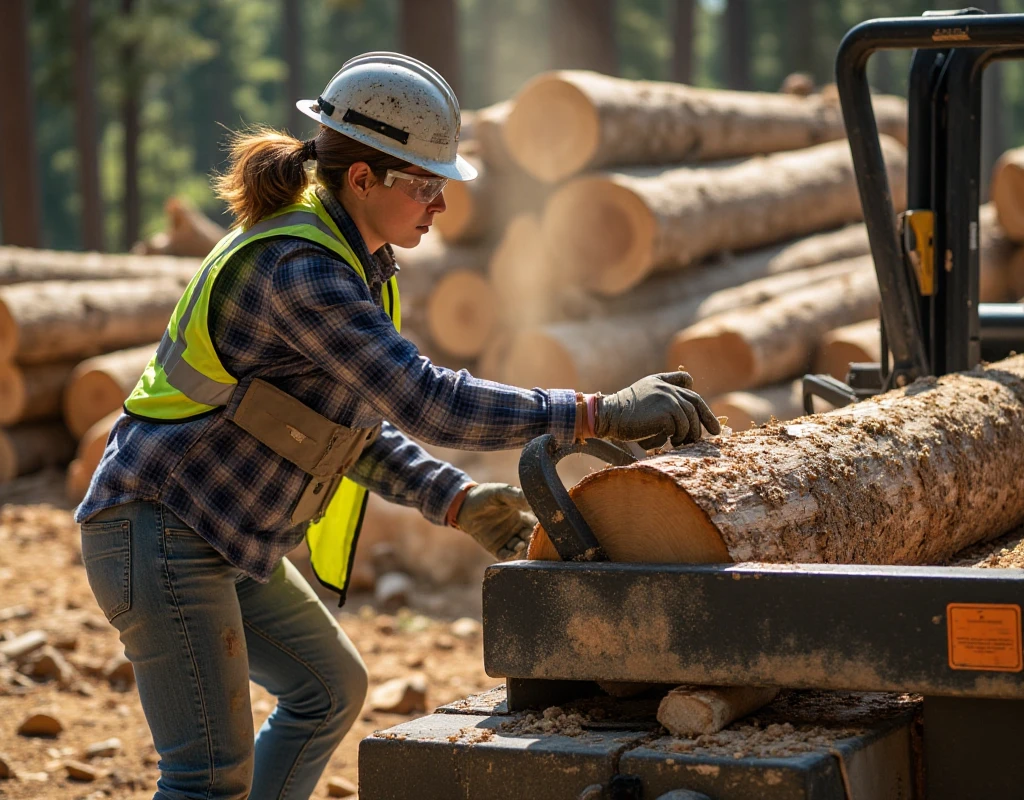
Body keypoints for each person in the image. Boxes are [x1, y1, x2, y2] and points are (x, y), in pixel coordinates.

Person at [75, 52, 720, 800]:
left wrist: (455, 499)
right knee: (206, 779)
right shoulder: (301, 270)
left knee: (327, 692)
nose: (440, 204)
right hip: (162, 533)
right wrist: (595, 412)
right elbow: (428, 402)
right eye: (425, 183)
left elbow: (345, 427)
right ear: (362, 179)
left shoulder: (355, 262)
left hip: (215, 534)